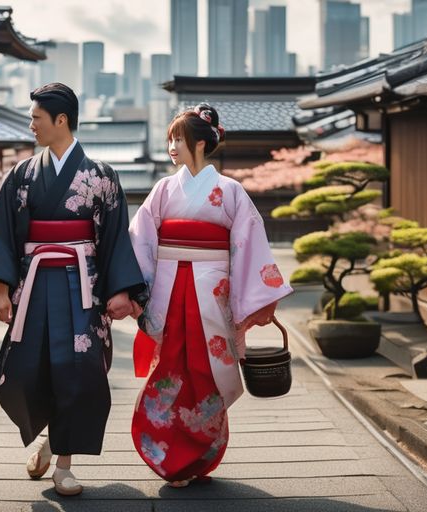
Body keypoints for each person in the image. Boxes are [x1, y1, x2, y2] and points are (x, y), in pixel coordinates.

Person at [0, 83, 146, 496]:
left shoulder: (100, 176)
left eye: (36, 118)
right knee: (27, 367)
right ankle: (48, 436)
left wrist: (121, 290)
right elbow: (2, 236)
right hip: (31, 287)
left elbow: (116, 238)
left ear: (60, 120)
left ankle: (63, 464)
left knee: (80, 372)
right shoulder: (21, 175)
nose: (31, 125)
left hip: (83, 287)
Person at [128, 104, 293, 487]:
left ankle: (200, 451)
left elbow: (249, 243)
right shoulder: (164, 189)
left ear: (200, 143)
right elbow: (141, 240)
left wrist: (258, 297)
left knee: (207, 370)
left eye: (178, 139)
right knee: (169, 366)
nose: (171, 146)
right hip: (169, 290)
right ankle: (168, 453)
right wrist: (132, 289)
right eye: (169, 139)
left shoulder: (230, 191)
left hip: (212, 291)